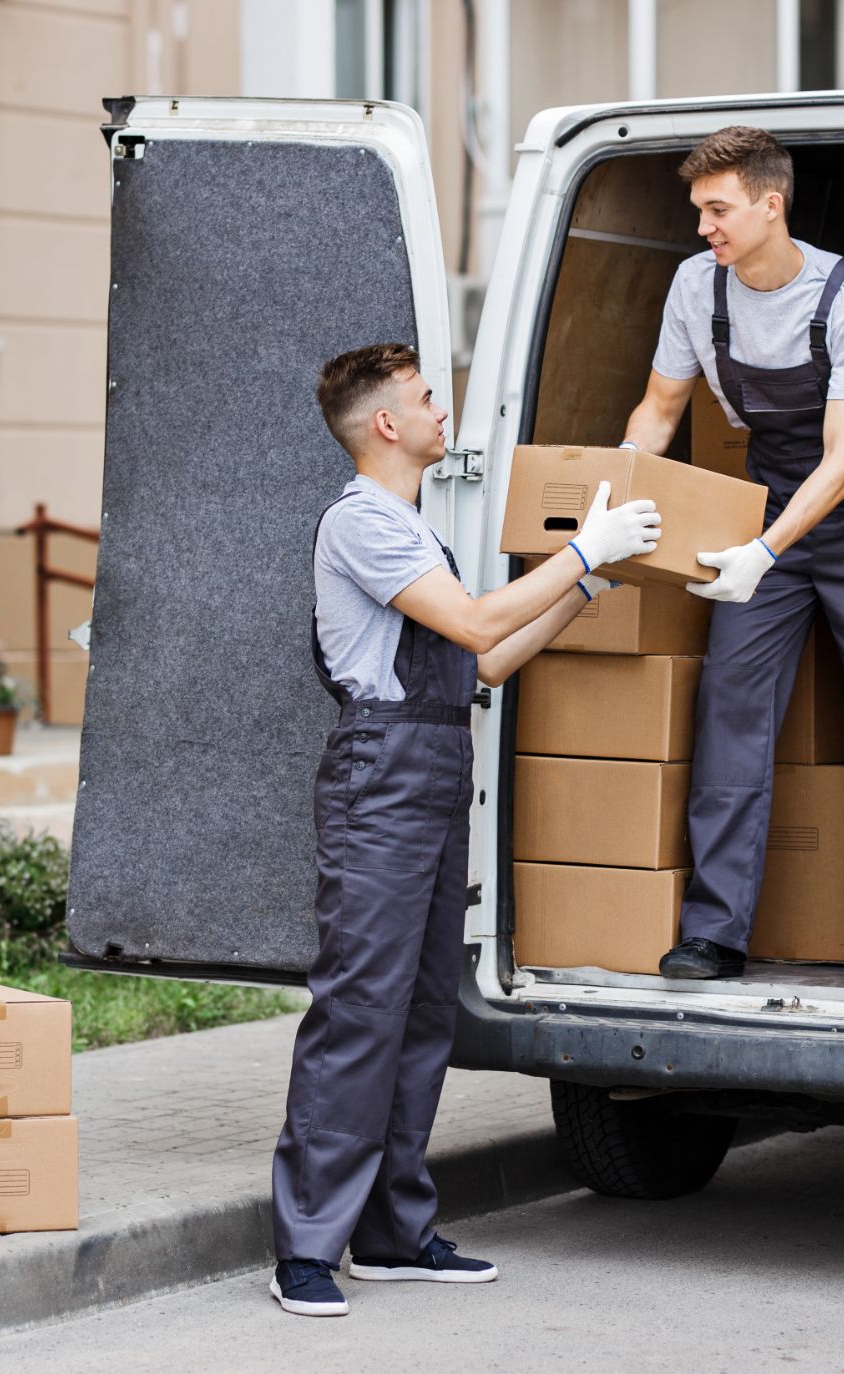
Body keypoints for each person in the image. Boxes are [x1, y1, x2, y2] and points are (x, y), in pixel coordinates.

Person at [269, 342, 662, 1317]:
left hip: (434, 762)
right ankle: (306, 1247)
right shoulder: (362, 523)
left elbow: (482, 664)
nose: (442, 410)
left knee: (420, 1017)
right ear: (386, 426)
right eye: (424, 397)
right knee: (360, 1009)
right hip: (380, 775)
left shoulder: (412, 528)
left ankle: (392, 1232)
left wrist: (581, 588)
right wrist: (580, 551)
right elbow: (480, 626)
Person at [617, 126, 844, 982]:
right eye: (699, 211)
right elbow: (660, 406)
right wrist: (618, 484)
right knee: (731, 706)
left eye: (717, 210)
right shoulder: (695, 286)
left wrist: (761, 550)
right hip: (768, 515)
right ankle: (714, 931)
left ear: (770, 204)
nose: (703, 228)